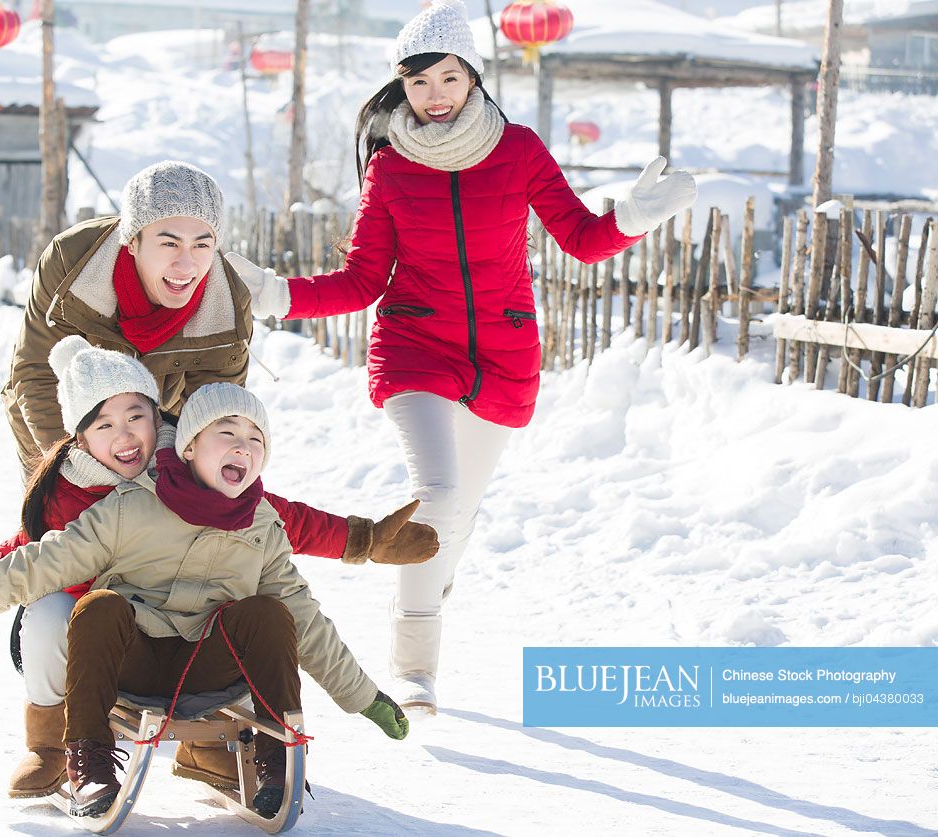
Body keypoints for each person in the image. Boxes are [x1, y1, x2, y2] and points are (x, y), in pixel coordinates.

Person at [222, 0, 697, 713]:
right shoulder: (389, 168)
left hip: (503, 352)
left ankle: (428, 572)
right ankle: (415, 663)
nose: (434, 94)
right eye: (418, 83)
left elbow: (577, 237)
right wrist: (276, 293)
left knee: (458, 514)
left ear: (473, 77)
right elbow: (360, 280)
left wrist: (631, 218)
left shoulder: (519, 150)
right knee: (437, 494)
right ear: (401, 88)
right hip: (415, 348)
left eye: (447, 78)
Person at [0, 339, 437, 798]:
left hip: (199, 649)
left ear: (161, 419)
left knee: (262, 612)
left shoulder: (214, 476)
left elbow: (295, 553)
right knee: (56, 605)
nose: (125, 435)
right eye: (103, 425)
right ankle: (57, 746)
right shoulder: (78, 500)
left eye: (136, 415)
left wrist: (365, 541)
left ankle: (222, 747)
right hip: (109, 642)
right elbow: (24, 561)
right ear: (80, 436)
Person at [4, 160, 250, 481]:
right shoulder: (73, 263)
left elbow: (210, 419)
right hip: (57, 431)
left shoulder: (226, 305)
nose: (186, 264)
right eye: (169, 243)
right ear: (132, 241)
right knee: (62, 526)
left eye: (201, 245)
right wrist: (69, 471)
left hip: (158, 435)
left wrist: (164, 479)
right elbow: (37, 374)